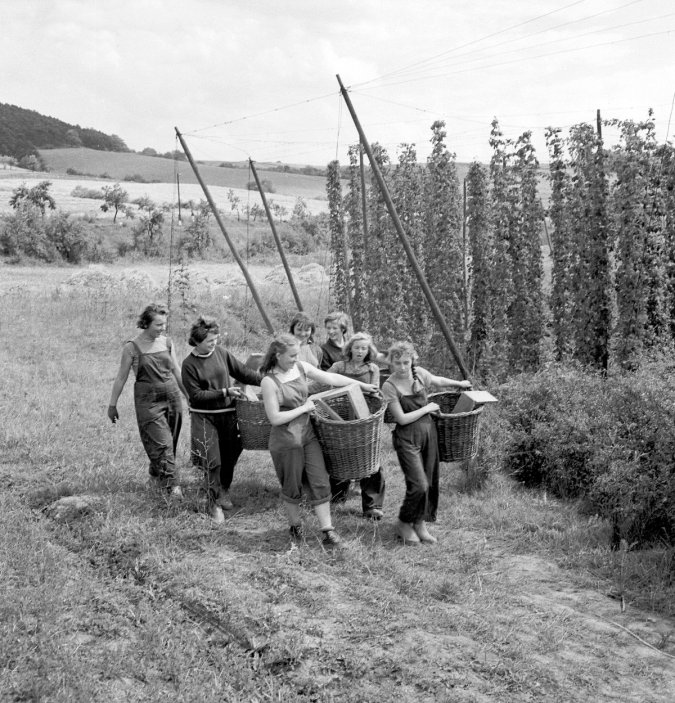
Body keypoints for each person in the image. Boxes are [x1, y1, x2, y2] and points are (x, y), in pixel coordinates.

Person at [260, 333, 378, 547]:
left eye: (297, 355)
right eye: (292, 356)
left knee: (320, 479)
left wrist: (362, 386)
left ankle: (328, 532)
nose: (296, 359)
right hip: (286, 441)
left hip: (307, 434)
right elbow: (274, 418)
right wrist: (304, 407)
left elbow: (331, 378)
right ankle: (295, 527)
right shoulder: (269, 381)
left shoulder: (301, 368)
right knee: (292, 484)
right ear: (277, 355)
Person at [381, 341, 471, 545]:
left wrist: (459, 384)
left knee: (429, 482)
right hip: (407, 438)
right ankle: (404, 523)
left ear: (413, 360)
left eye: (406, 362)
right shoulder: (389, 385)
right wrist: (427, 408)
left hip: (429, 434)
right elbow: (401, 419)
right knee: (418, 484)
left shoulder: (419, 373)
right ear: (391, 363)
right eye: (397, 363)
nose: (402, 367)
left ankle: (419, 524)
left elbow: (437, 381)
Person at [181, 316, 263, 523]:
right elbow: (196, 396)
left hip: (228, 415)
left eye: (216, 339)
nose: (214, 343)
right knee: (212, 461)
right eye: (209, 341)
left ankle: (223, 490)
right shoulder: (189, 364)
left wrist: (268, 382)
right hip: (205, 418)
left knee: (230, 456)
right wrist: (225, 391)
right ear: (197, 341)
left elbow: (243, 373)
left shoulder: (222, 354)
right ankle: (213, 503)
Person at [108, 303, 188, 498]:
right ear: (146, 323)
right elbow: (121, 377)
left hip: (172, 397)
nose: (162, 328)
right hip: (148, 401)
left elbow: (176, 370)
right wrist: (112, 404)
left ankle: (155, 473)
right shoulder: (132, 347)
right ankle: (173, 487)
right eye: (158, 325)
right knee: (162, 442)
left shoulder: (167, 343)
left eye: (164, 324)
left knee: (171, 441)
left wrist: (189, 396)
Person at [326, 332, 386, 520]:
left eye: (364, 348)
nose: (360, 351)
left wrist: (375, 397)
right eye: (357, 347)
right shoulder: (338, 366)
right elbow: (324, 381)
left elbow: (374, 393)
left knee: (368, 459)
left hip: (363, 418)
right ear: (349, 348)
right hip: (340, 418)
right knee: (340, 456)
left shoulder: (372, 368)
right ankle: (337, 497)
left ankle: (372, 505)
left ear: (368, 350)